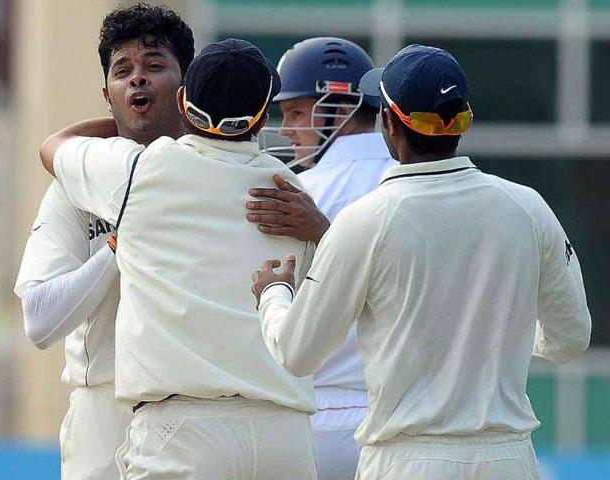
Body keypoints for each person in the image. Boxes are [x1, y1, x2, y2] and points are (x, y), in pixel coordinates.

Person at [251, 44, 591, 480]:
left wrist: (273, 294)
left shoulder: (365, 219)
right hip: (509, 459)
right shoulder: (528, 206)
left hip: (410, 459)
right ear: (463, 121)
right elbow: (569, 340)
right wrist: (493, 332)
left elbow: (297, 353)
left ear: (390, 124)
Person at [39, 38, 317, 480]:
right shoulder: (295, 194)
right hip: (285, 433)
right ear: (264, 116)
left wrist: (133, 117)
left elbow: (55, 145)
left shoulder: (137, 171)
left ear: (185, 101)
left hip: (185, 430)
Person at [13, 4, 194, 479]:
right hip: (104, 408)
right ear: (107, 94)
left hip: (196, 404)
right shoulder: (73, 186)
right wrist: (118, 247)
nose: (138, 79)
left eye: (154, 67)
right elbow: (40, 320)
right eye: (123, 71)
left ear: (186, 89)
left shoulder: (213, 172)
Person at [246, 37, 394, 480]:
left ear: (339, 107)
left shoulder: (294, 191)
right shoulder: (414, 184)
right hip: (400, 417)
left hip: (312, 415)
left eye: (295, 112)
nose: (286, 128)